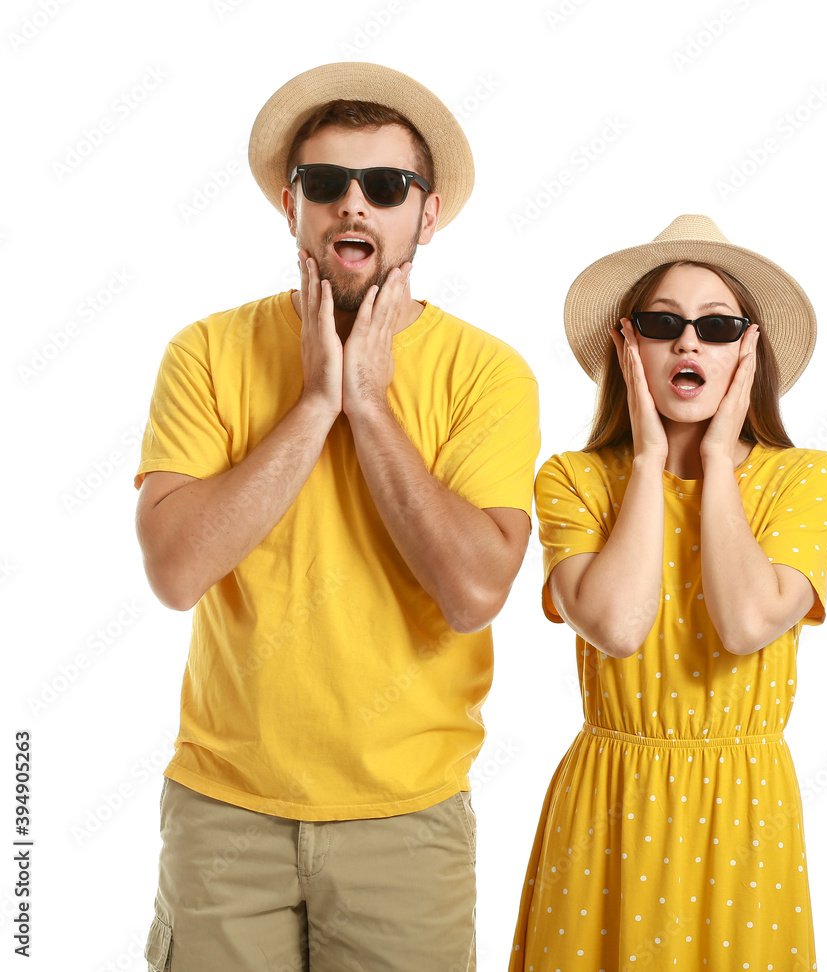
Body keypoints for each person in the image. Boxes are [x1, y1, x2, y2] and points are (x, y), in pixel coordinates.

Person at [134, 61, 539, 972]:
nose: (353, 205)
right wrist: (317, 404)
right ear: (293, 205)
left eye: (386, 186)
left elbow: (475, 590)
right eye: (327, 183)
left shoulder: (487, 373)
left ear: (425, 214)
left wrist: (371, 405)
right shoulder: (207, 352)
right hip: (224, 814)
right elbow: (173, 570)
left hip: (407, 821)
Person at [508, 215, 827, 971]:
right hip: (609, 805)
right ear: (628, 348)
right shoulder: (575, 477)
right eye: (663, 324)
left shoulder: (802, 476)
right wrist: (651, 455)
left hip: (744, 807)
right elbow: (620, 628)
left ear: (748, 354)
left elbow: (747, 622)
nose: (689, 343)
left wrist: (719, 457)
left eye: (718, 327)